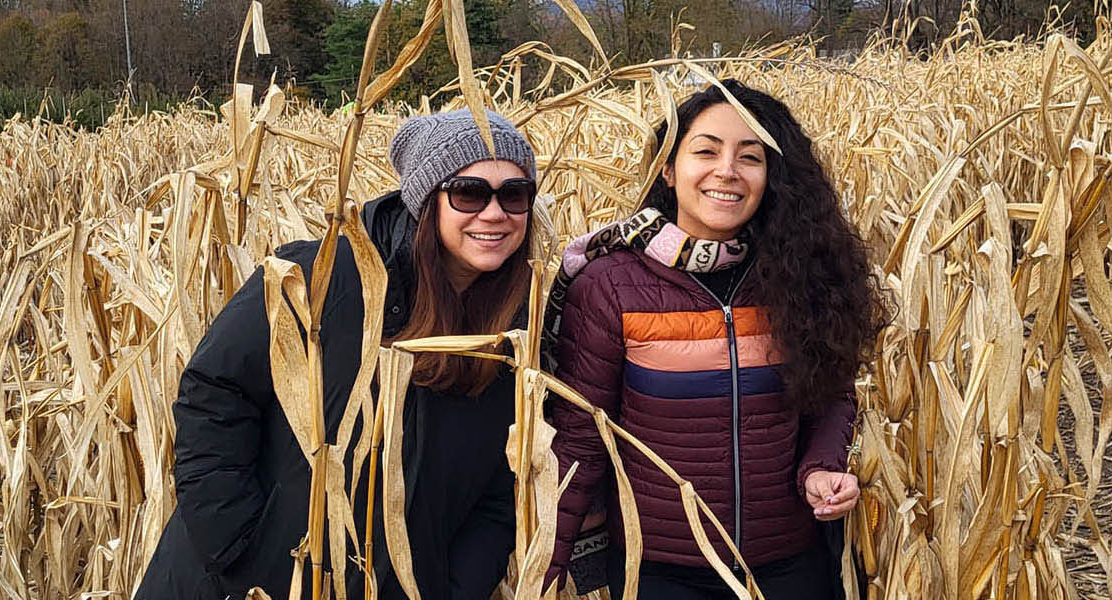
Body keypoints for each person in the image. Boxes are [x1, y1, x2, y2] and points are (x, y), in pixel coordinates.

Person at [135, 109, 540, 600]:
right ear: (423, 202)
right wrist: (240, 551)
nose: (494, 212)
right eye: (469, 193)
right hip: (244, 585)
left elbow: (499, 492)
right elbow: (214, 394)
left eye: (514, 195)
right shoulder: (319, 278)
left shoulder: (516, 333)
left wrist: (449, 590)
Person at [543, 79, 889, 598]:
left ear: (772, 176)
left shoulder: (798, 277)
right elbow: (580, 440)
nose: (727, 171)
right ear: (668, 168)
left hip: (791, 565)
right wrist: (545, 572)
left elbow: (830, 396)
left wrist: (820, 468)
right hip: (660, 572)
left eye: (750, 157)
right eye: (706, 151)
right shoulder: (609, 285)